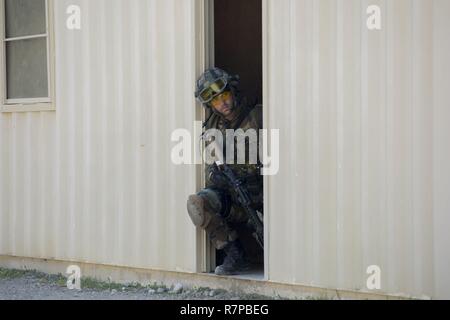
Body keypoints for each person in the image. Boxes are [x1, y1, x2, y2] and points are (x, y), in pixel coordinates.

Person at [186, 68, 263, 276]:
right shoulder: (212, 128)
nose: (223, 103)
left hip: (265, 197)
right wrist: (217, 177)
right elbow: (211, 165)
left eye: (225, 95)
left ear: (233, 91)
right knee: (197, 204)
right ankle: (235, 255)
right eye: (216, 101)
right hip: (236, 199)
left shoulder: (257, 116)